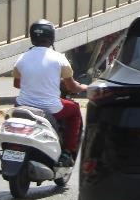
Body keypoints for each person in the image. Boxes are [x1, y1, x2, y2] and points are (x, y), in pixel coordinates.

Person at [12, 19, 87, 166]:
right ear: (51, 37)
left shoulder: (22, 58)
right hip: (51, 108)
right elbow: (71, 87)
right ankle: (67, 152)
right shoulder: (59, 58)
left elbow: (17, 84)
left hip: (23, 106)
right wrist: (84, 87)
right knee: (74, 110)